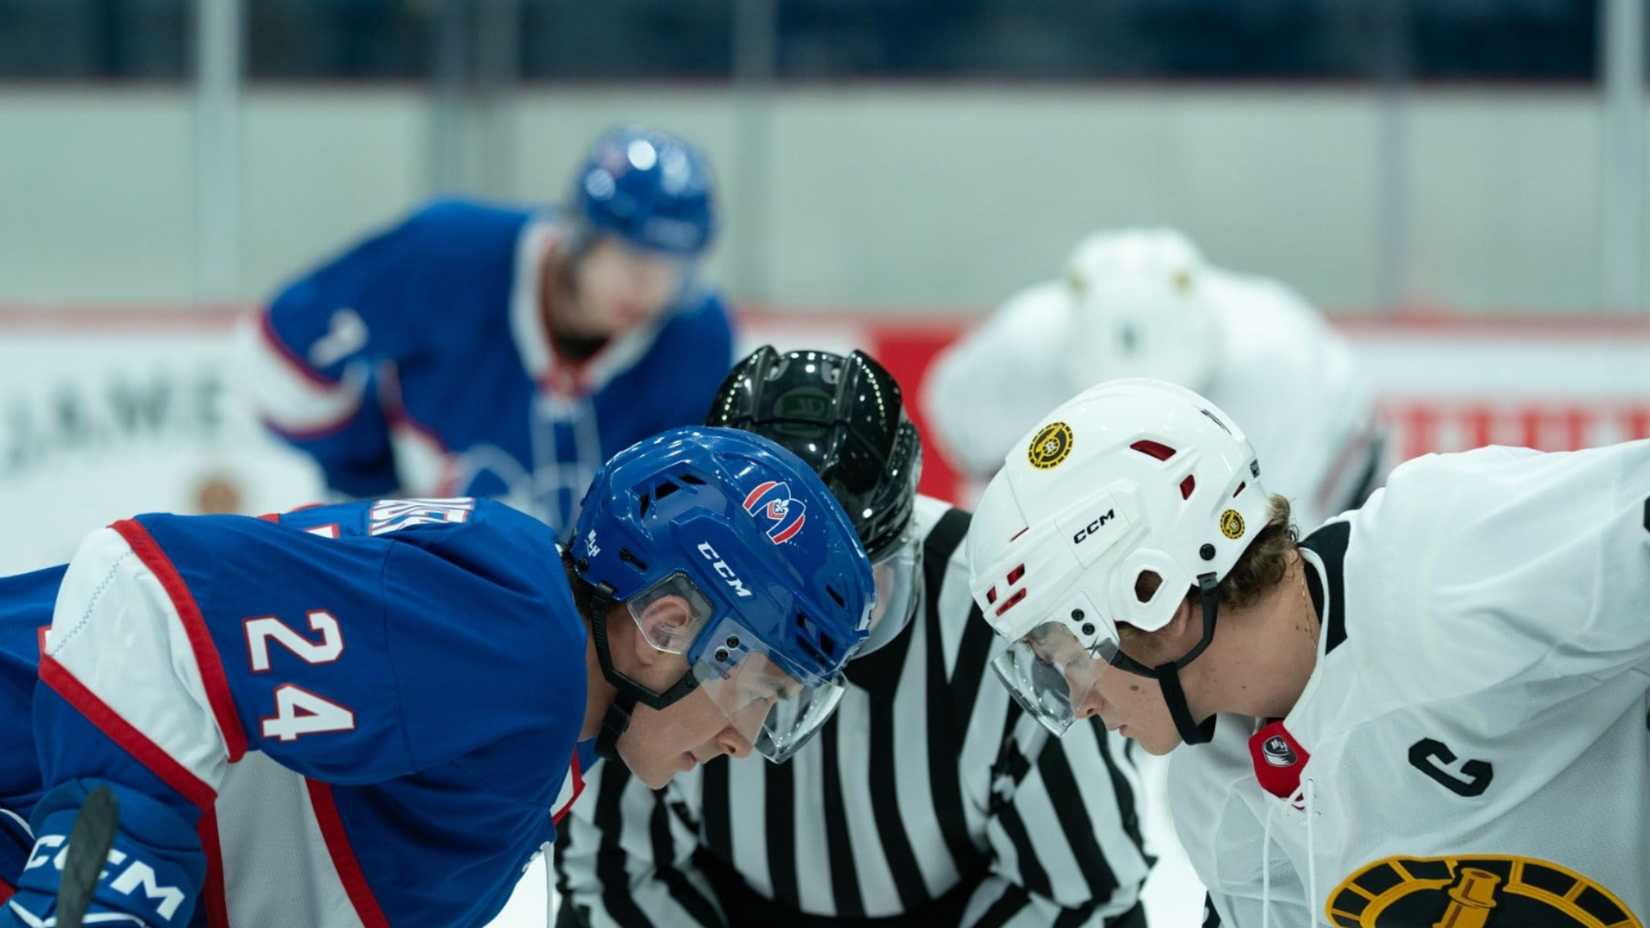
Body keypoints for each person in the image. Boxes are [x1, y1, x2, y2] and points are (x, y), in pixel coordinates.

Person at [0, 426, 874, 927]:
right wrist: (99, 883)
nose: (744, 739)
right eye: (758, 691)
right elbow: (146, 598)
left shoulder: (551, 727)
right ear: (668, 627)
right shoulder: (519, 644)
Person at [965, 377, 1650, 927]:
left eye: (1066, 655)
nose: (1077, 701)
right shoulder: (1216, 799)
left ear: (1155, 594)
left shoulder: (1443, 557)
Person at [554, 347, 1152, 927]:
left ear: (906, 542)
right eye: (776, 603)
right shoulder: (657, 636)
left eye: (859, 592)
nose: (821, 643)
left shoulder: (1002, 610)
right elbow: (612, 873)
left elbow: (1087, 888)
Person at [239, 125, 735, 536]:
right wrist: (371, 481)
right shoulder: (450, 254)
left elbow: (683, 511)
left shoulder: (696, 337)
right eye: (630, 255)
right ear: (581, 234)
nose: (648, 287)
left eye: (672, 267)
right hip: (417, 569)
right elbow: (284, 355)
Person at [923, 228, 1382, 531]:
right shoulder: (1017, 353)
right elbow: (961, 432)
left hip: (1342, 456)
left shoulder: (1281, 364)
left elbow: (1277, 535)